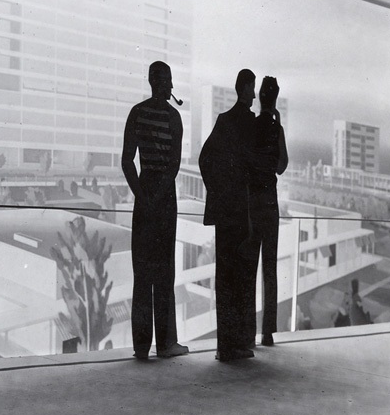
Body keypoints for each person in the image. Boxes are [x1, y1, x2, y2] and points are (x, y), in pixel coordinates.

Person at [121, 61, 189, 361]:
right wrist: (158, 195)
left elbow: (127, 161)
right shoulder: (174, 117)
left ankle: (140, 346)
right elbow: (173, 166)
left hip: (144, 192)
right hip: (164, 196)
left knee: (143, 271)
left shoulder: (136, 113)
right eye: (169, 80)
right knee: (164, 271)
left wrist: (142, 195)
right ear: (162, 82)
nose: (171, 86)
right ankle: (165, 344)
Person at [198, 69, 257, 361]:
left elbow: (204, 159)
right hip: (243, 211)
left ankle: (225, 346)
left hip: (225, 211)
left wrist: (217, 192)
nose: (255, 92)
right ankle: (237, 344)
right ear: (245, 88)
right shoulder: (249, 123)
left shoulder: (224, 120)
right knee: (240, 279)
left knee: (225, 278)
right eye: (253, 87)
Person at [248, 76, 288, 347]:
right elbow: (281, 166)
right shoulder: (276, 129)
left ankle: (248, 331)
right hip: (271, 204)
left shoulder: (252, 125)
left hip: (253, 204)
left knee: (250, 268)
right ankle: (268, 332)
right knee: (270, 268)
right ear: (274, 100)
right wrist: (279, 124)